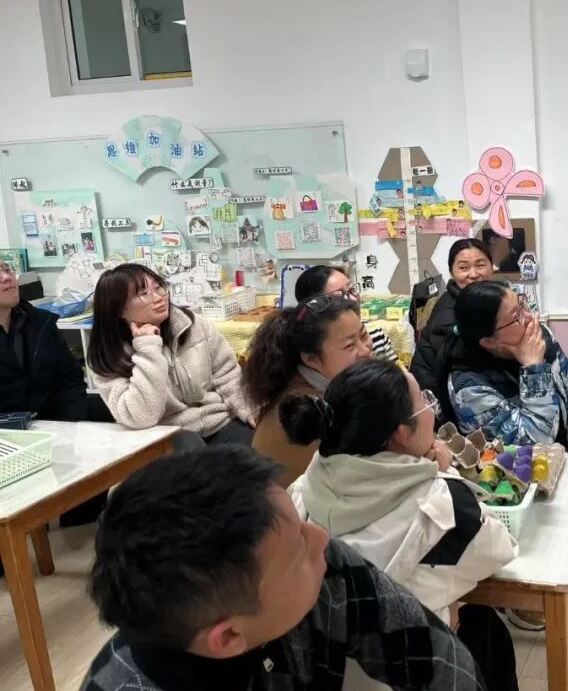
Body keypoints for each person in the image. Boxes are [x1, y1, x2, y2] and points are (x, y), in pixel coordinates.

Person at [80, 446, 485, 691]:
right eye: (297, 550)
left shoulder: (325, 570)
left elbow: (437, 659)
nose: (320, 537)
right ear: (229, 636)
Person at [280, 358, 519, 691]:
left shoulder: (300, 492)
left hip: (324, 671)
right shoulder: (442, 506)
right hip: (404, 673)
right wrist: (444, 473)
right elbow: (500, 548)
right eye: (423, 400)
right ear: (402, 433)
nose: (431, 408)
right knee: (487, 631)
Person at [439, 280, 568, 630]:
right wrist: (532, 368)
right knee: (542, 530)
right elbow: (532, 443)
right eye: (515, 317)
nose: (529, 318)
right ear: (489, 341)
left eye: (522, 305)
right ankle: (521, 591)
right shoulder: (469, 386)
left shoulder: (541, 337)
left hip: (565, 461)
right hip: (514, 483)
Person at [87, 263, 253, 449]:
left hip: (217, 420)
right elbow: (141, 417)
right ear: (118, 309)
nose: (158, 297)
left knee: (261, 444)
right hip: (164, 433)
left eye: (158, 287)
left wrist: (248, 408)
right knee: (193, 451)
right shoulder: (108, 356)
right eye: (143, 293)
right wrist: (147, 348)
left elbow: (227, 374)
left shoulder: (192, 324)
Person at [243, 294, 372, 486]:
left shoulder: (330, 384)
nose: (366, 350)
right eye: (349, 345)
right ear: (312, 359)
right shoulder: (308, 412)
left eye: (363, 335)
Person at [0, 261, 87, 421]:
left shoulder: (40, 322)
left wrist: (69, 424)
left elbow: (70, 380)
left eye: (7, 269)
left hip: (52, 426)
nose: (6, 277)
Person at [411, 239, 494, 392]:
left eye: (480, 265)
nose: (474, 274)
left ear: (492, 267)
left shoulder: (486, 297)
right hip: (437, 391)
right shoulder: (449, 311)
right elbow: (468, 360)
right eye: (464, 268)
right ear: (452, 272)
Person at [294, 265, 399, 364]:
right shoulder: (311, 349)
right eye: (339, 296)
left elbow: (397, 372)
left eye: (352, 289)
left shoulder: (374, 333)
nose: (353, 299)